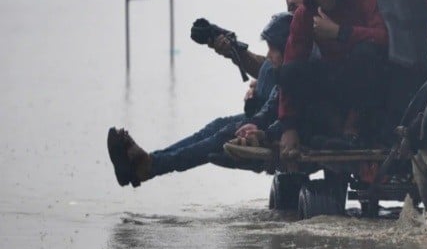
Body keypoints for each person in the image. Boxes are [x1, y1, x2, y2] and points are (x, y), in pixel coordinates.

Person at [106, 12, 292, 187]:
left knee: (221, 136)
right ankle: (151, 162)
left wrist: (261, 127)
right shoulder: (289, 30)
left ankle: (150, 166)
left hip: (274, 120)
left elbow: (284, 95)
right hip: (264, 112)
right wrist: (240, 58)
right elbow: (271, 73)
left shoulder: (305, 43)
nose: (292, 0)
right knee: (214, 128)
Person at [275, 0, 388, 159]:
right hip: (332, 80)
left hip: (365, 83)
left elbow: (382, 37)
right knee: (290, 72)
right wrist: (288, 127)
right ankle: (335, 130)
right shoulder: (305, 14)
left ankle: (352, 128)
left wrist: (340, 32)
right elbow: (292, 62)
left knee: (366, 53)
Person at [209, 0, 307, 78]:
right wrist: (234, 49)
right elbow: (268, 71)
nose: (291, 0)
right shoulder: (286, 27)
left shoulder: (321, 32)